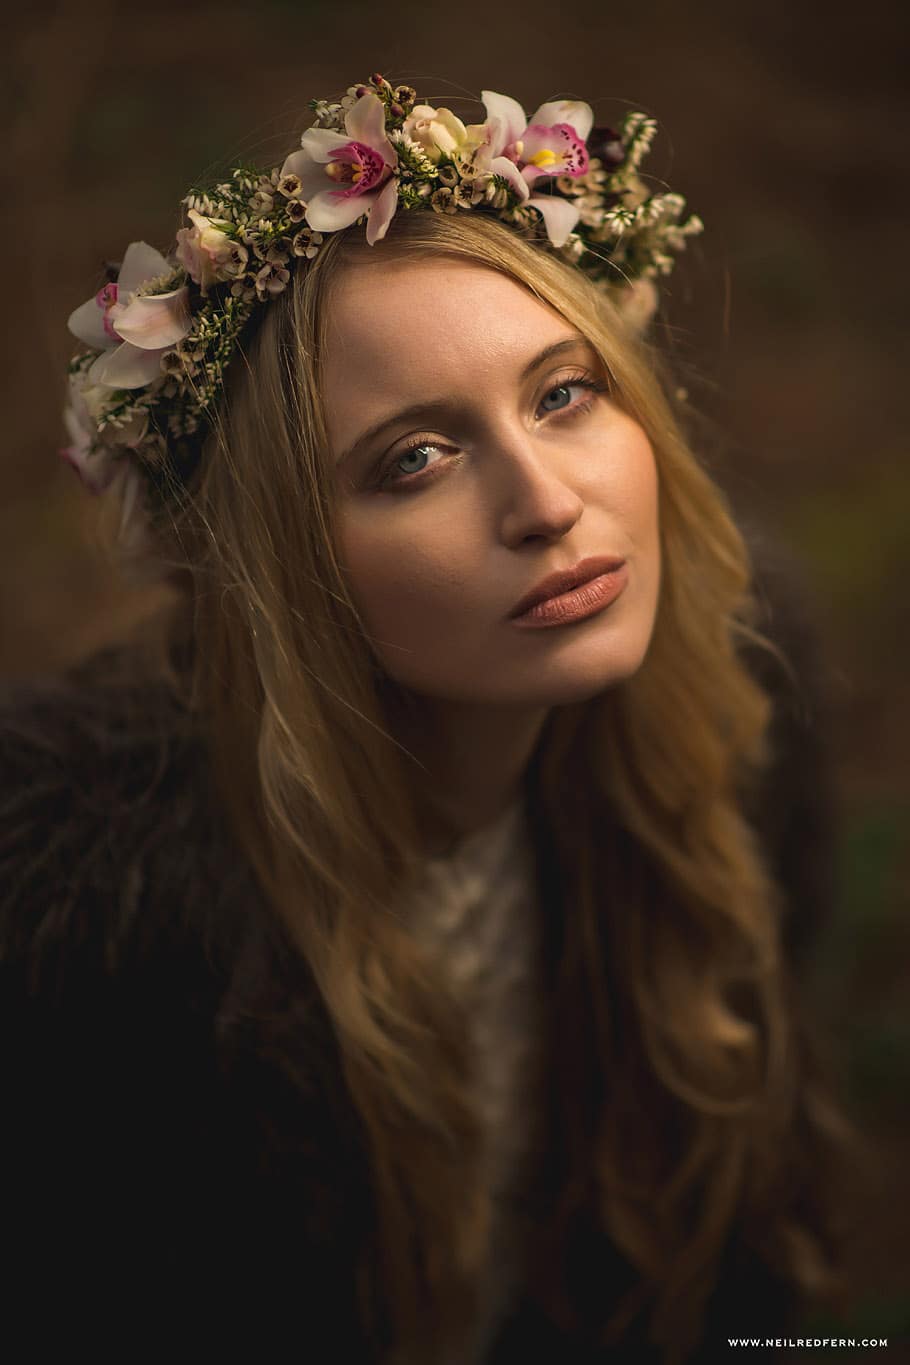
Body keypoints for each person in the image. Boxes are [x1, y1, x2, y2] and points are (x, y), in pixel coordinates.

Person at [0, 75, 847, 1363]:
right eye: (416, 459)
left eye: (564, 393)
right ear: (289, 565)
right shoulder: (89, 944)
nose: (548, 503)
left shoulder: (738, 738)